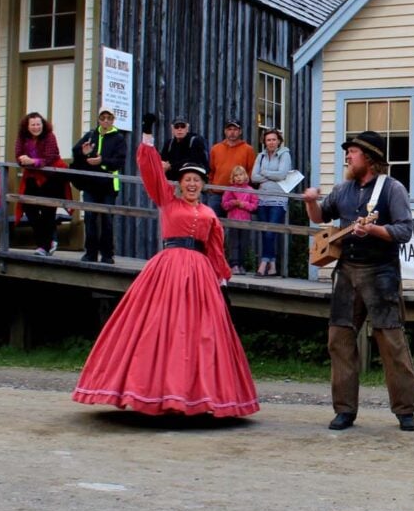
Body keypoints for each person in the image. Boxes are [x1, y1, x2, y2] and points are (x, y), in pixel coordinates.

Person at [72, 113, 259, 418]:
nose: (192, 184)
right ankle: (150, 390)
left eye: (196, 181)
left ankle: (199, 396)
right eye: (187, 180)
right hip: (168, 268)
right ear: (180, 183)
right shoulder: (167, 202)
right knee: (155, 328)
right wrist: (147, 135)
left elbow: (215, 251)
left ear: (202, 185)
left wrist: (222, 281)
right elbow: (150, 171)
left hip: (200, 275)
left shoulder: (211, 216)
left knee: (201, 334)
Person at [303, 131, 414, 432]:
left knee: (391, 342)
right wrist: (310, 202)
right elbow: (320, 217)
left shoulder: (393, 189)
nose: (347, 156)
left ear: (368, 158)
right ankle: (344, 410)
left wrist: (375, 230)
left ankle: (405, 411)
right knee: (339, 340)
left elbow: (405, 231)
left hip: (381, 272)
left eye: (352, 152)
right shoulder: (342, 189)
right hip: (345, 273)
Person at [71, 107, 127, 264]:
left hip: (109, 185)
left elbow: (120, 162)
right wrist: (84, 152)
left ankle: (107, 255)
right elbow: (76, 152)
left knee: (107, 219)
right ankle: (90, 253)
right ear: (98, 119)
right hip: (90, 184)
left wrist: (102, 161)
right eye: (103, 118)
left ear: (113, 120)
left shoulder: (118, 138)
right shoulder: (90, 135)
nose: (106, 121)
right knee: (90, 218)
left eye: (109, 118)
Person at [14, 112, 66, 256]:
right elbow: (17, 154)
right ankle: (48, 240)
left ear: (43, 125)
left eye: (38, 124)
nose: (36, 127)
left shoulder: (50, 136)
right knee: (28, 206)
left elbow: (49, 158)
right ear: (27, 126)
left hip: (51, 177)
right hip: (32, 175)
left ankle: (44, 246)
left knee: (48, 211)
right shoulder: (22, 137)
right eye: (33, 125)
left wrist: (33, 161)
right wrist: (22, 159)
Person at [251, 128, 292, 277]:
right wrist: (270, 176)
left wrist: (265, 173)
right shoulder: (260, 156)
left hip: (278, 199)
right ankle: (273, 266)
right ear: (264, 142)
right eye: (268, 140)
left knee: (270, 231)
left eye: (274, 139)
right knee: (265, 232)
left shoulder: (284, 154)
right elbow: (253, 177)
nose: (271, 142)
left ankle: (263, 264)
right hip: (262, 199)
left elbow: (282, 174)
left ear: (279, 141)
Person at [208, 118, 255, 218]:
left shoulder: (248, 149)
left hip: (238, 195)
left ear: (240, 131)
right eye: (229, 129)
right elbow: (211, 169)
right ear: (225, 131)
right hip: (217, 193)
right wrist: (211, 186)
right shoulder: (216, 149)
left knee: (235, 227)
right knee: (214, 223)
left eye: (235, 129)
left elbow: (251, 171)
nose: (232, 132)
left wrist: (245, 188)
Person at [221, 165, 258, 275]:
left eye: (241, 175)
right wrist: (233, 203)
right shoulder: (230, 190)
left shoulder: (250, 190)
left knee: (244, 243)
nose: (238, 177)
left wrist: (243, 204)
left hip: (245, 222)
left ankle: (241, 264)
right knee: (234, 244)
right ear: (233, 177)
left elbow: (254, 206)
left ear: (245, 176)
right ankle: (234, 265)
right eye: (236, 175)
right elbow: (224, 205)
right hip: (233, 221)